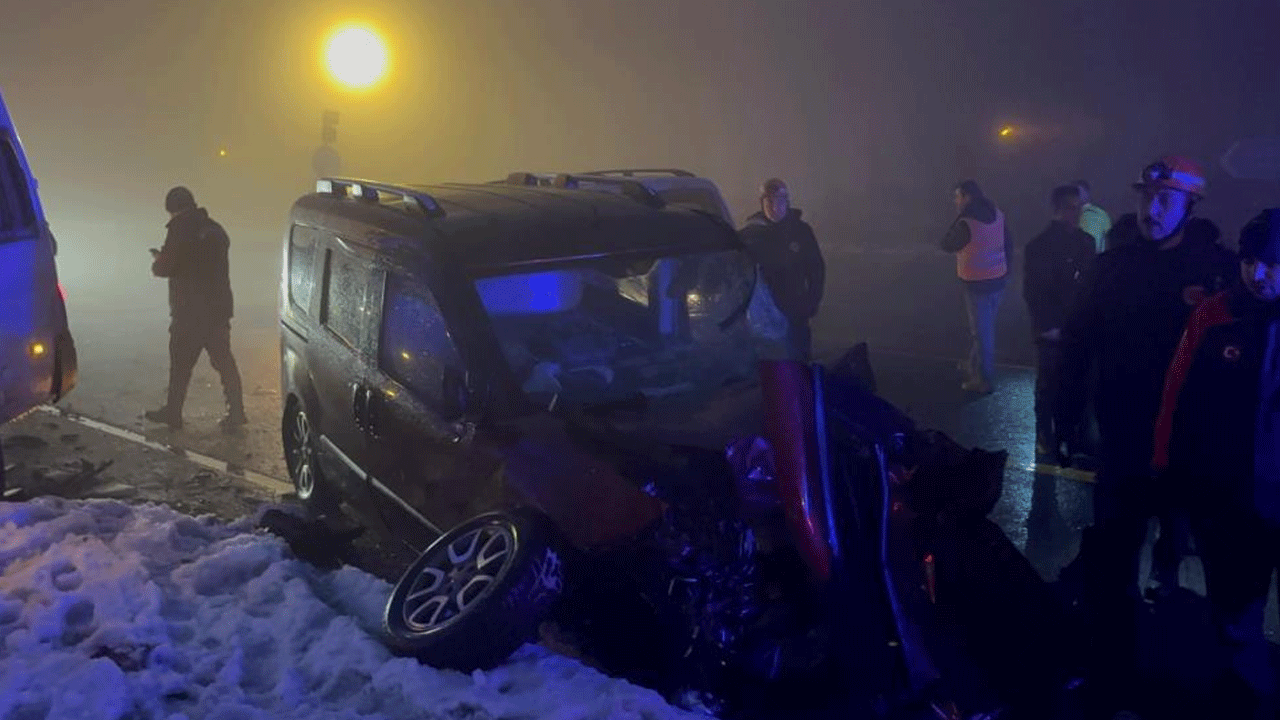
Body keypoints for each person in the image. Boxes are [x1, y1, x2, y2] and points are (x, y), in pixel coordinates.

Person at [1055, 156, 1236, 707]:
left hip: (1192, 448)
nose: (1150, 209)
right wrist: (1065, 415)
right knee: (1112, 568)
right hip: (1124, 443)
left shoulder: (1218, 271)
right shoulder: (1111, 268)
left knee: (1212, 575)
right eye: (1144, 196)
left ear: (1190, 205)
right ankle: (1113, 680)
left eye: (1164, 199)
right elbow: (1076, 343)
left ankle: (1203, 685)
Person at [1152, 208, 1280, 718]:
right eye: (1250, 261)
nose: (1258, 274)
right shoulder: (1215, 315)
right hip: (1226, 497)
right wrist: (1169, 467)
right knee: (1234, 608)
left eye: (1272, 263)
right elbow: (1178, 395)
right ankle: (1246, 693)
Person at [144, 186, 246, 432]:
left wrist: (158, 260)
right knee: (225, 363)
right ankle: (236, 412)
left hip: (189, 311)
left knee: (180, 365)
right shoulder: (215, 229)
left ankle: (173, 412)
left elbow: (165, 268)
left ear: (173, 209)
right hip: (217, 309)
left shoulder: (180, 229)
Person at [1022, 185, 1094, 460]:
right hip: (1052, 329)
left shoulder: (1085, 242)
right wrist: (1047, 326)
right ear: (1057, 209)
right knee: (1048, 386)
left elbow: (1090, 285)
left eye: (1079, 208)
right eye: (1070, 208)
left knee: (1079, 384)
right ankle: (1045, 435)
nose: (1076, 214)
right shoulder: (1039, 246)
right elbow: (1034, 291)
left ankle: (1074, 438)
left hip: (1078, 327)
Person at [739, 178, 825, 361]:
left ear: (787, 201)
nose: (774, 207)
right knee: (770, 363)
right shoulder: (750, 235)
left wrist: (812, 302)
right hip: (763, 313)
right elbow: (740, 272)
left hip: (795, 309)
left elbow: (816, 269)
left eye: (779, 200)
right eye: (769, 201)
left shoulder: (801, 232)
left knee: (799, 360)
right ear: (762, 203)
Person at [941, 180, 1012, 394]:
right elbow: (1008, 243)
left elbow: (947, 243)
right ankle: (973, 365)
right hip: (998, 279)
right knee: (985, 329)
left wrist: (957, 220)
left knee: (982, 334)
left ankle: (984, 379)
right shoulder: (997, 214)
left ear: (967, 197)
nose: (955, 201)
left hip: (977, 284)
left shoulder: (966, 222)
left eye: (957, 196)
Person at [1074, 179, 1112, 254]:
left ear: (1087, 192)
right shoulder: (1100, 212)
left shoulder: (1091, 214)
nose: (1077, 196)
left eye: (1079, 192)